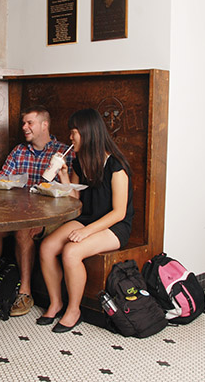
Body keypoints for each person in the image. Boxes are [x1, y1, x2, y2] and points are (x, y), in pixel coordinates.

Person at [39, 108, 134, 333]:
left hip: (115, 226)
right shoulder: (80, 161)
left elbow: (119, 212)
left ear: (88, 132)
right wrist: (63, 174)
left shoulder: (116, 165)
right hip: (88, 217)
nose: (70, 138)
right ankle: (56, 303)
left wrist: (87, 232)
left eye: (74, 133)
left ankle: (74, 310)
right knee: (47, 247)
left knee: (72, 252)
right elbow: (75, 197)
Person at [0, 106, 74, 317]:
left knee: (24, 230)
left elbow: (70, 195)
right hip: (18, 211)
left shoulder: (62, 153)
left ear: (44, 125)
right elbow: (2, 180)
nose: (24, 127)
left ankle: (25, 293)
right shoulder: (19, 151)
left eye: (29, 123)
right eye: (23, 123)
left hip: (51, 215)